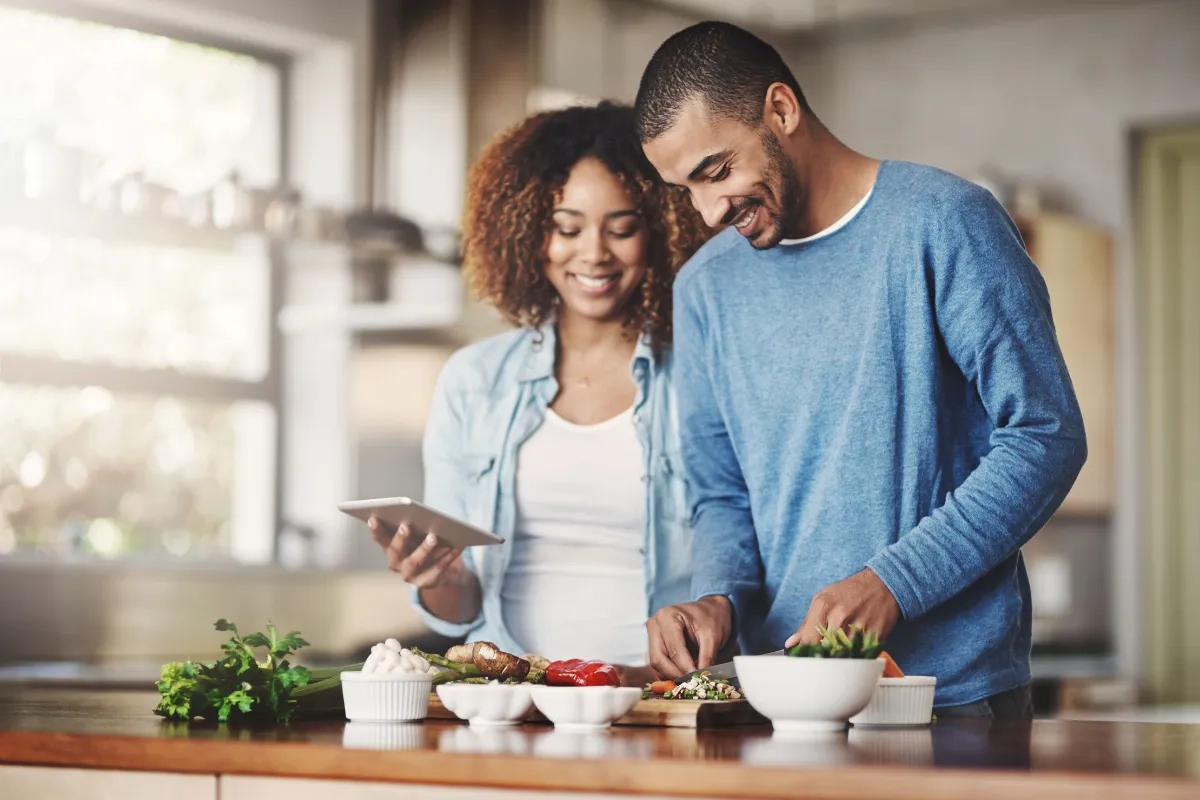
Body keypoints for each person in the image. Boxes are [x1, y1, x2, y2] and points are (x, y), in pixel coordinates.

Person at [633, 22, 1086, 718]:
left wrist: (892, 583)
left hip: (949, 700)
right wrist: (717, 598)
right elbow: (722, 494)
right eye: (682, 190)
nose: (707, 211)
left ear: (780, 110)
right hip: (781, 697)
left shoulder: (945, 223)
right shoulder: (703, 288)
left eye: (716, 171)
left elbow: (1045, 435)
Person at [368, 103, 709, 679]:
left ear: (660, 232)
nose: (594, 253)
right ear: (529, 233)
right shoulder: (473, 382)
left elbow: (737, 571)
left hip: (655, 701)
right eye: (567, 228)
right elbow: (460, 614)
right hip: (511, 701)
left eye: (622, 228)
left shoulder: (702, 376)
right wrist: (443, 578)